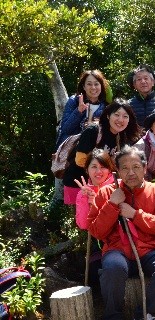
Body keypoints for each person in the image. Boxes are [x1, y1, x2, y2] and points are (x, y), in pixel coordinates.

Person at [88, 145, 155, 320]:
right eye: (125, 168)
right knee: (113, 267)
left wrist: (135, 215)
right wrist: (112, 205)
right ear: (118, 171)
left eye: (136, 167)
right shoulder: (106, 193)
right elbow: (96, 230)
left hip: (149, 251)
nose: (131, 173)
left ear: (145, 168)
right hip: (117, 250)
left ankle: (147, 316)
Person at [50, 70, 110, 214]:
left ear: (102, 86)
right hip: (70, 155)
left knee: (88, 189)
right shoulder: (74, 101)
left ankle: (83, 222)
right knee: (67, 189)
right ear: (83, 86)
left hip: (91, 155)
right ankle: (60, 220)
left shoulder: (106, 107)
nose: (93, 87)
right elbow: (66, 128)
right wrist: (79, 111)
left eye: (96, 84)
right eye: (89, 84)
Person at [62, 99, 142, 204]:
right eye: (117, 115)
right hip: (78, 183)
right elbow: (80, 160)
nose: (120, 120)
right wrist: (105, 169)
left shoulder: (121, 136)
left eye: (125, 116)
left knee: (99, 217)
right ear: (108, 116)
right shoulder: (93, 130)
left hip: (100, 184)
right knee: (81, 217)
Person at [74, 149, 115, 286]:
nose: (99, 171)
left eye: (103, 167)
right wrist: (86, 200)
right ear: (87, 170)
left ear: (109, 169)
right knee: (93, 273)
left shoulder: (117, 187)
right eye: (94, 167)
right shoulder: (84, 192)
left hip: (118, 241)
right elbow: (84, 225)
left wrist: (98, 202)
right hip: (99, 244)